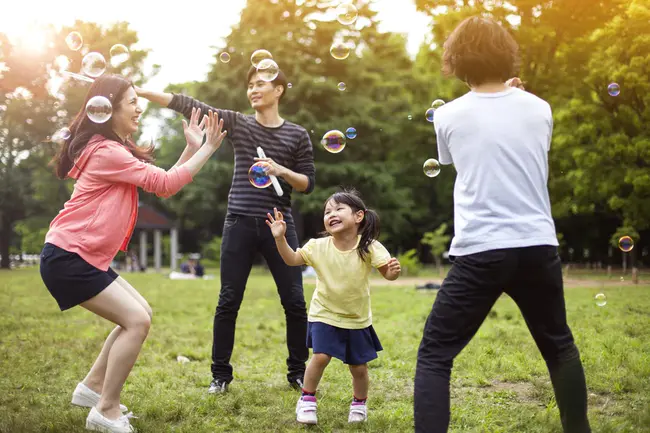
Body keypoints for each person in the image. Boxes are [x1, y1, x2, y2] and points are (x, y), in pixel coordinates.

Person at [413, 17, 591, 433]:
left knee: (436, 354)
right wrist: (517, 97)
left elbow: (457, 156)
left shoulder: (449, 116)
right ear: (507, 54)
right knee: (559, 347)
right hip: (537, 245)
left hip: (481, 249)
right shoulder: (540, 107)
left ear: (457, 60)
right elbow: (525, 143)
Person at [40, 74, 227, 433]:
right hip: (69, 258)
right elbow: (166, 183)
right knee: (136, 321)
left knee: (141, 313)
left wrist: (189, 148)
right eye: (131, 101)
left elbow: (164, 185)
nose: (138, 107)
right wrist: (207, 148)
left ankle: (92, 389)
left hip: (76, 256)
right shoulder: (106, 151)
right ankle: (105, 411)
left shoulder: (110, 149)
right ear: (109, 111)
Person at [137, 64, 315, 393]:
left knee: (294, 300)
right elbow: (189, 104)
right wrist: (143, 92)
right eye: (250, 85)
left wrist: (280, 169)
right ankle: (220, 375)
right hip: (239, 222)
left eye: (261, 83)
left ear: (279, 91)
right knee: (228, 299)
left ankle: (297, 372)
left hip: (279, 224)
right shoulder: (238, 123)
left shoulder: (297, 135)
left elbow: (307, 183)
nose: (253, 89)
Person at [265, 189, 402, 425]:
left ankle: (359, 404)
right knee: (320, 357)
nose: (331, 214)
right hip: (324, 313)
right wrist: (280, 238)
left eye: (339, 209)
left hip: (356, 318)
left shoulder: (369, 246)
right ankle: (307, 400)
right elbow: (291, 260)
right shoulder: (318, 246)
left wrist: (393, 271)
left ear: (359, 216)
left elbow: (387, 273)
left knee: (359, 368)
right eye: (327, 211)